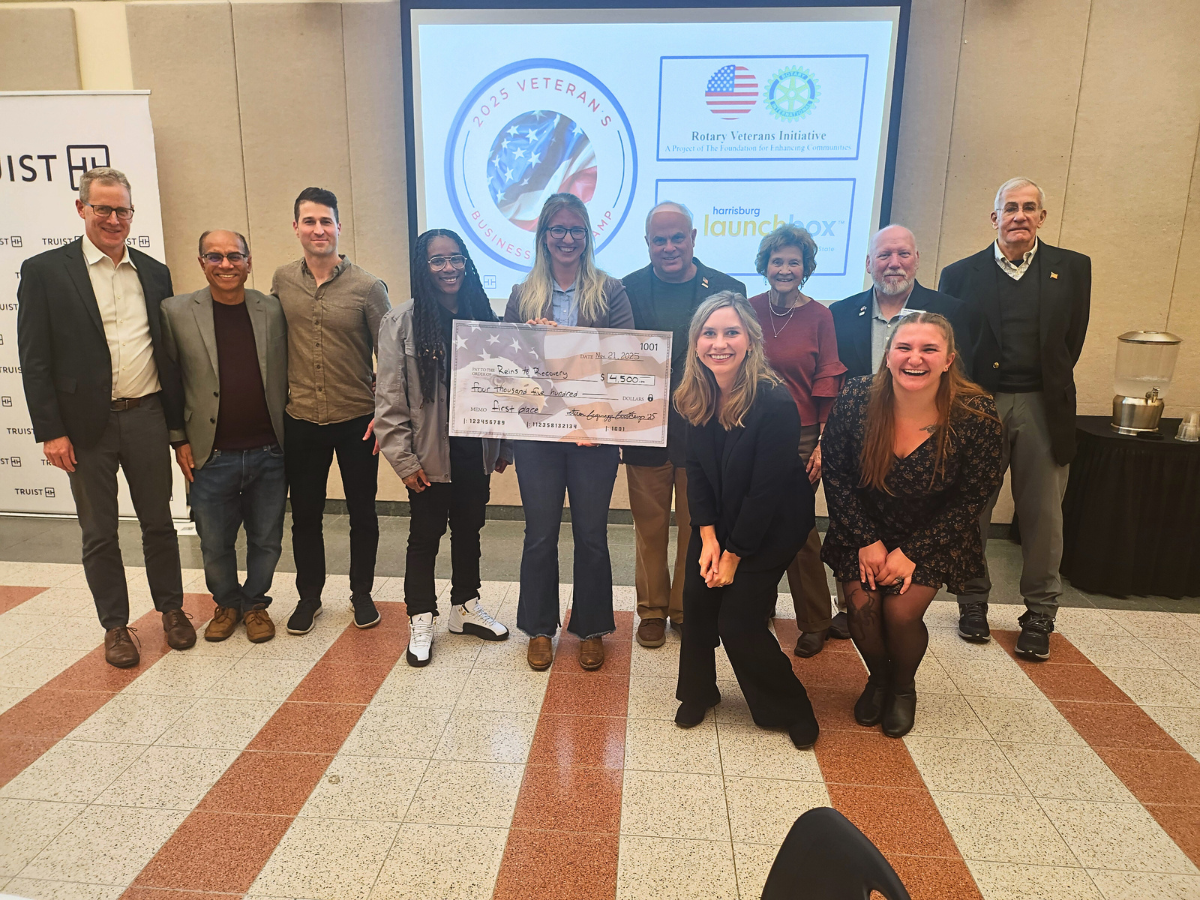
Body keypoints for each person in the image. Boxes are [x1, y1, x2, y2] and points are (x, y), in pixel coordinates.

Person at [17, 166, 194, 668]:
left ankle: (172, 610)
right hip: (84, 427)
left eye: (123, 210)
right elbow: (35, 359)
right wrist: (50, 431)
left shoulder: (154, 272)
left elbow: (170, 357)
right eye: (104, 209)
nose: (114, 219)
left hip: (146, 416)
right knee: (99, 533)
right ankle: (115, 626)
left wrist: (177, 430)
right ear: (82, 210)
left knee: (160, 523)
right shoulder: (46, 271)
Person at [821, 313, 1003, 738]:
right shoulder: (856, 398)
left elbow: (974, 496)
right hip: (862, 526)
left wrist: (911, 552)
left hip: (934, 533)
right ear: (888, 356)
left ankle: (902, 688)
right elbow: (836, 473)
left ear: (948, 360)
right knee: (863, 610)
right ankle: (879, 679)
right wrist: (868, 540)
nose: (914, 358)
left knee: (900, 613)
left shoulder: (976, 413)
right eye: (904, 348)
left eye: (928, 349)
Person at [938, 178, 1091, 660]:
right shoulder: (959, 275)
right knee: (972, 509)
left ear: (1042, 217)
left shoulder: (1073, 269)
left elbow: (1073, 341)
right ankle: (972, 602)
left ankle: (1040, 614)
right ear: (994, 218)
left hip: (1042, 406)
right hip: (978, 404)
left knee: (1044, 515)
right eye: (1010, 208)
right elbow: (954, 345)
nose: (1019, 215)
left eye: (1029, 208)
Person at [673, 291, 820, 750]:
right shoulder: (693, 394)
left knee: (737, 620)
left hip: (771, 523)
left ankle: (790, 706)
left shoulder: (774, 401)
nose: (720, 342)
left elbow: (765, 492)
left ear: (751, 340)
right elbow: (695, 473)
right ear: (696, 341)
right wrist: (709, 537)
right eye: (709, 333)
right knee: (696, 601)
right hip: (721, 518)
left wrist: (733, 555)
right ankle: (699, 692)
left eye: (731, 332)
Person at [503, 192, 634, 672]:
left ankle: (592, 627)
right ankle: (539, 628)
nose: (567, 238)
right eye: (557, 230)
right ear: (543, 236)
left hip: (593, 437)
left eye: (576, 230)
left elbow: (625, 361)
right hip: (538, 435)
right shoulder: (522, 295)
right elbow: (508, 369)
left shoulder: (610, 290)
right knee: (539, 534)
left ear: (587, 236)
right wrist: (532, 343)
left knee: (592, 535)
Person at [375, 229, 512, 667]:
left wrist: (502, 442)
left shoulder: (481, 314)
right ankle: (421, 616)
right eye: (438, 261)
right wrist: (403, 459)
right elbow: (389, 398)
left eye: (456, 259)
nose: (448, 268)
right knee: (425, 537)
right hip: (428, 453)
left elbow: (503, 385)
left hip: (475, 447)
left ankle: (464, 607)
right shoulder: (401, 321)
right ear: (423, 267)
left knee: (470, 529)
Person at [621, 202, 745, 649]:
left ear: (694, 237)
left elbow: (741, 359)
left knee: (699, 526)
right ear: (648, 243)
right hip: (643, 430)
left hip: (707, 431)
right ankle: (652, 611)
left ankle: (686, 608)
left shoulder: (729, 290)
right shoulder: (625, 289)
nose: (669, 247)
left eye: (677, 237)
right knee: (649, 526)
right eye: (660, 239)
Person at [272, 187, 390, 634]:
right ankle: (309, 598)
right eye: (309, 221)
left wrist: (385, 413)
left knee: (363, 513)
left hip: (359, 419)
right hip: (301, 418)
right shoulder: (282, 280)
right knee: (305, 514)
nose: (318, 229)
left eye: (326, 221)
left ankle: (361, 594)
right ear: (297, 227)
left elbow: (391, 358)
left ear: (339, 227)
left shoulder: (368, 287)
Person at [161, 230, 288, 644]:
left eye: (235, 256)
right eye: (214, 256)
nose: (226, 264)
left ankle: (255, 605)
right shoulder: (176, 311)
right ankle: (226, 604)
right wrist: (178, 438)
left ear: (249, 262)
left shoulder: (272, 309)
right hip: (209, 452)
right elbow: (171, 380)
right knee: (214, 541)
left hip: (270, 450)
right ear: (201, 263)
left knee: (266, 538)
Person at [747, 225, 846, 659]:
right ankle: (757, 607)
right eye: (777, 261)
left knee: (798, 527)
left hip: (803, 434)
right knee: (751, 521)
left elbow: (828, 377)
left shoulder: (820, 316)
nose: (784, 269)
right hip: (749, 431)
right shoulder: (747, 309)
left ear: (806, 268)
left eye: (794, 262)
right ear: (764, 266)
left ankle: (815, 621)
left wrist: (823, 441)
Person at [830, 225, 975, 380]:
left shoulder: (950, 312)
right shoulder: (839, 314)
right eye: (884, 255)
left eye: (904, 254)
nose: (894, 263)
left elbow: (960, 379)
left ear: (917, 259)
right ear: (868, 263)